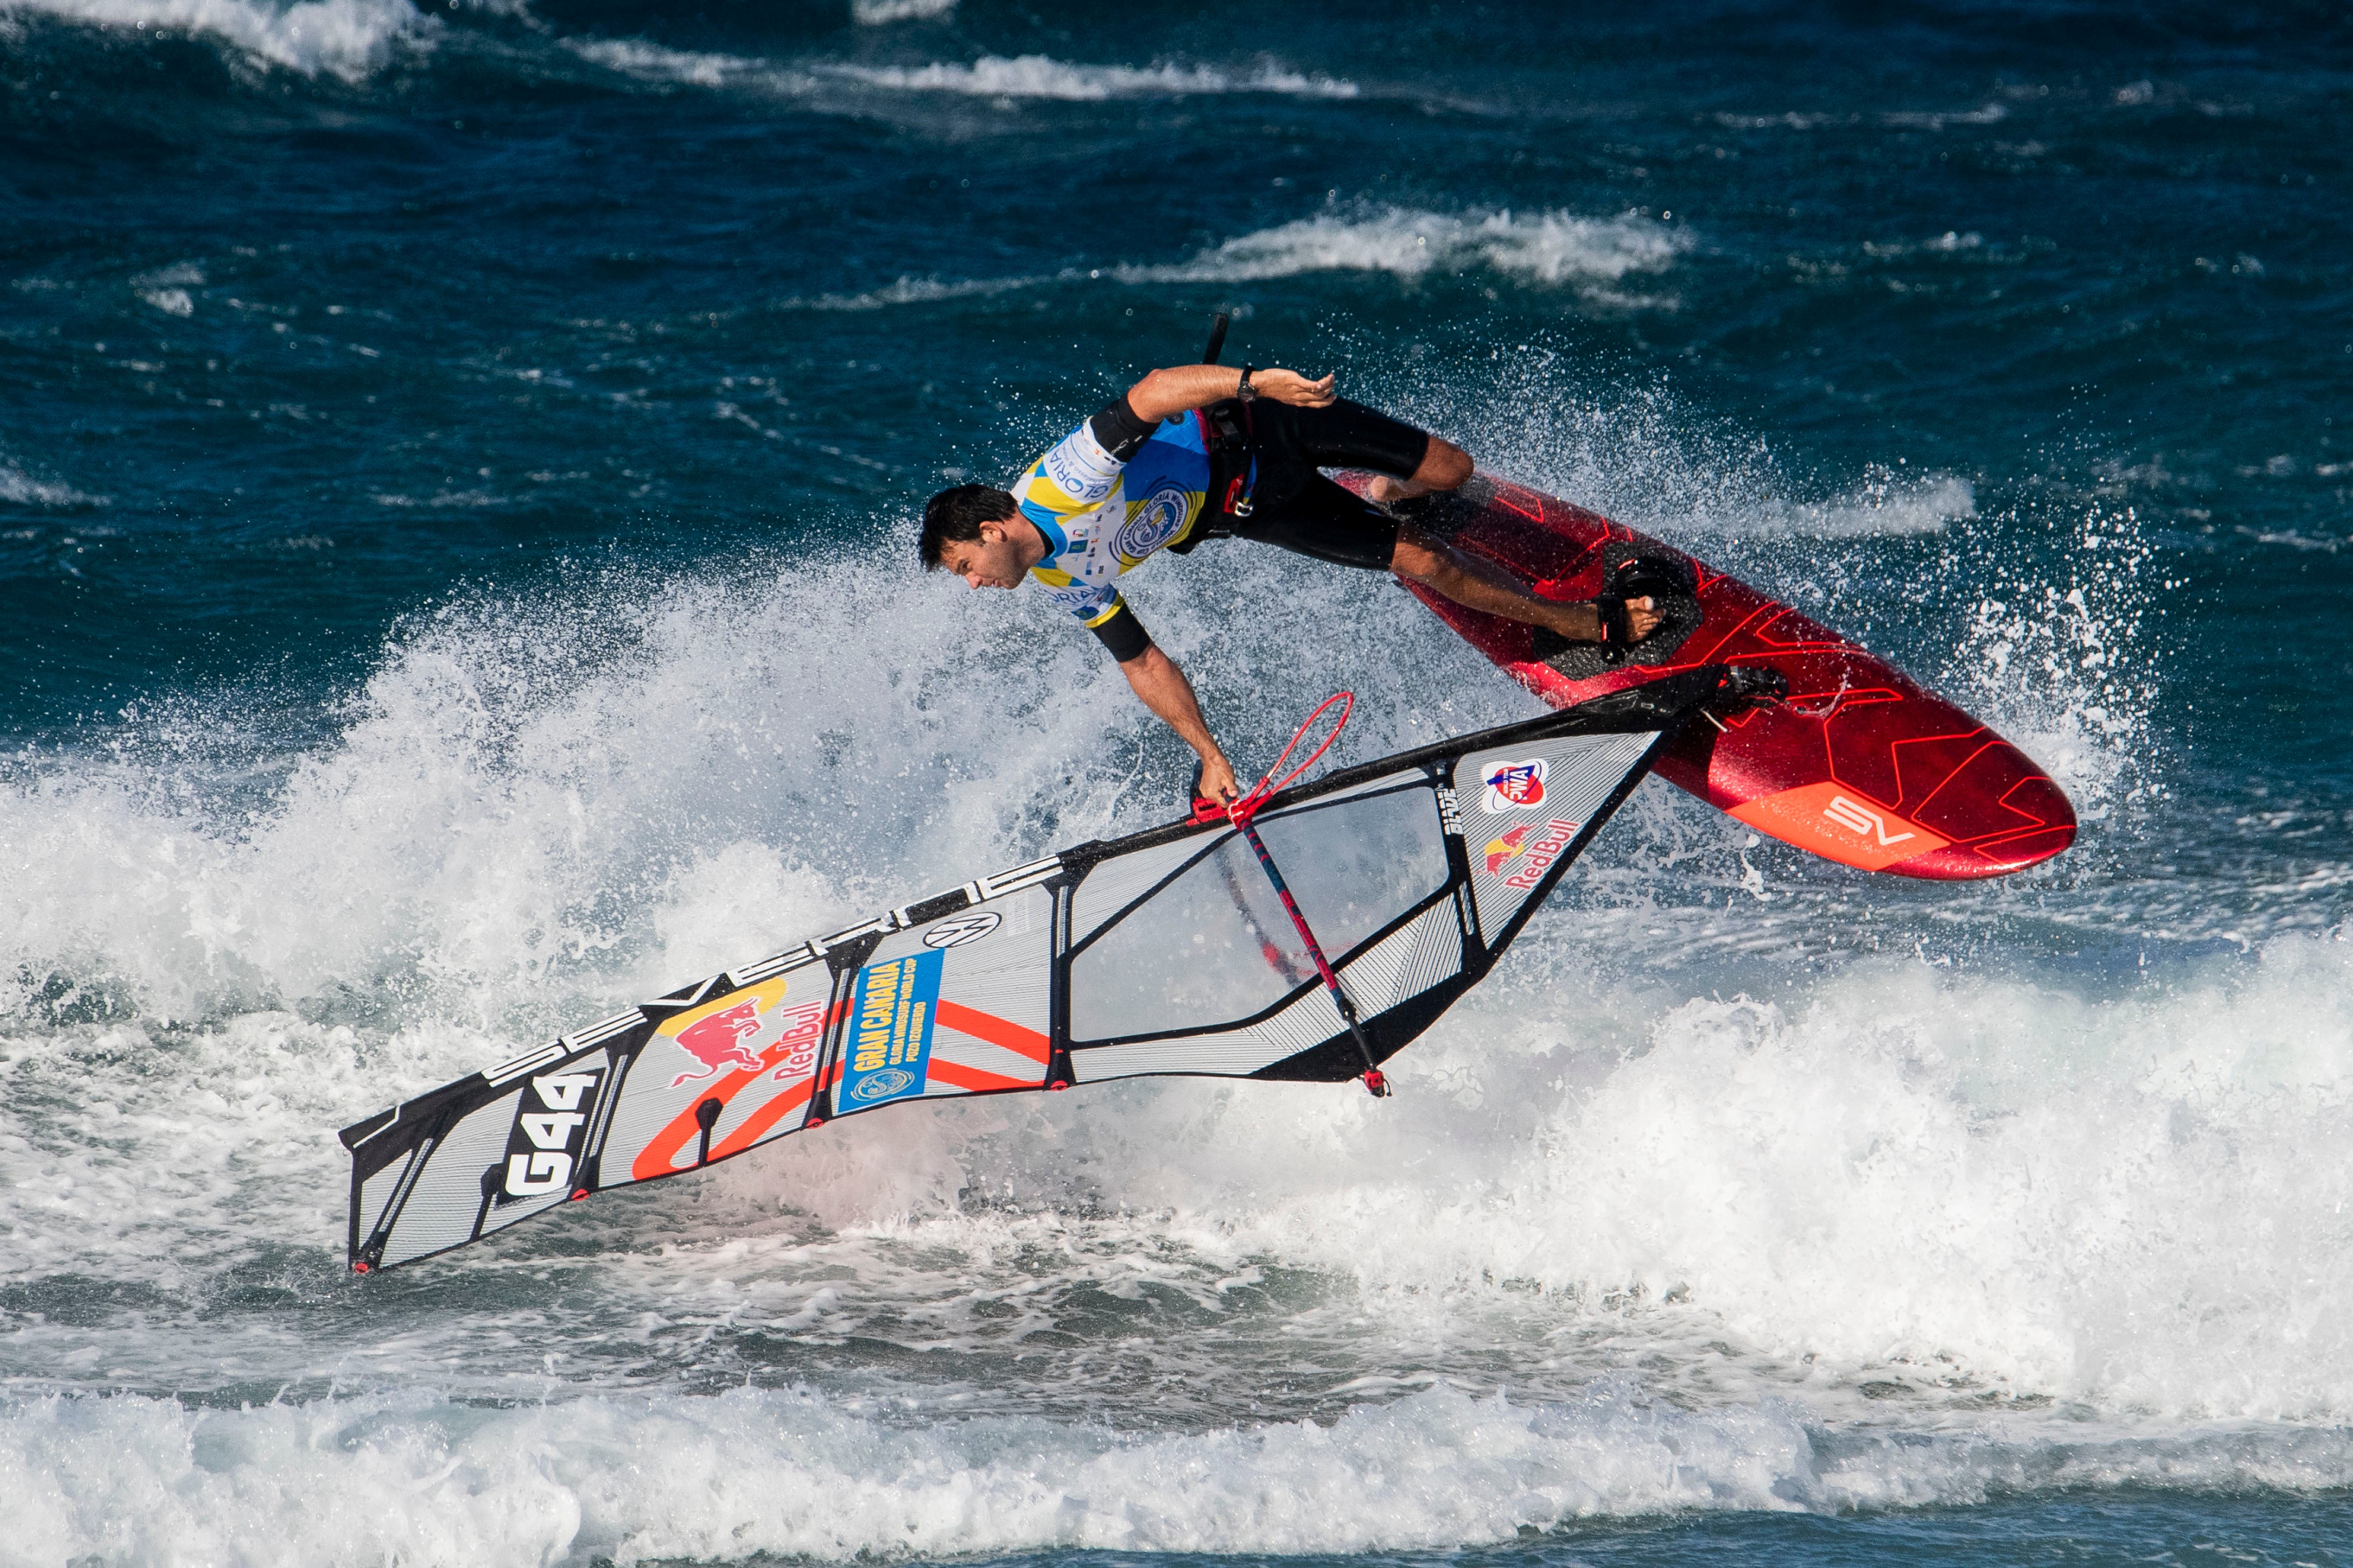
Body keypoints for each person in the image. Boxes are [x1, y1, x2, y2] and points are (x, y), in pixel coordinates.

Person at [918, 360, 1662, 805]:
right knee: (1425, 563)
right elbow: (1141, 662)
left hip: (1267, 426)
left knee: (1451, 473)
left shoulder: (1064, 480)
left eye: (963, 568)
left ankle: (1390, 491)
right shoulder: (1060, 576)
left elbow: (1151, 392)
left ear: (989, 531)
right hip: (1251, 507)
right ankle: (1571, 621)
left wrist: (1253, 382)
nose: (973, 585)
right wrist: (1208, 755)